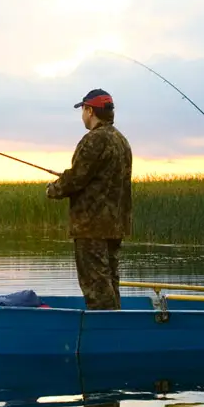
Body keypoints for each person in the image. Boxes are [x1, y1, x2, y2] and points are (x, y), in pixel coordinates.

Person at [46, 88, 133, 310]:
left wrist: (53, 189)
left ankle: (105, 334)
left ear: (90, 110)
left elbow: (76, 178)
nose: (83, 115)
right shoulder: (121, 141)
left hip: (91, 226)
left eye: (83, 110)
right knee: (110, 281)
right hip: (115, 226)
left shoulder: (94, 140)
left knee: (96, 286)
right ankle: (115, 327)